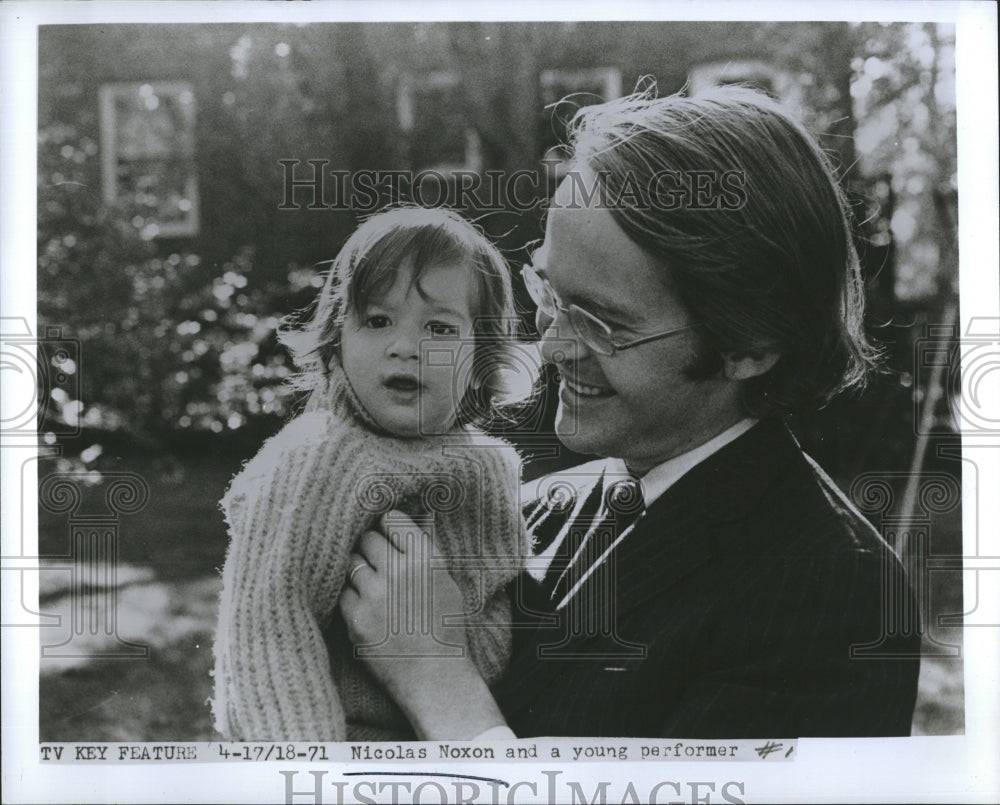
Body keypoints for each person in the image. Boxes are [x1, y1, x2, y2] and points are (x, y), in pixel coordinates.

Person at [340, 84, 922, 739]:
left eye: (599, 320)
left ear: (750, 345)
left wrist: (433, 678)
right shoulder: (539, 508)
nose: (553, 344)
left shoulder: (831, 597)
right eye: (548, 291)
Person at [211, 206, 531, 741]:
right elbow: (266, 628)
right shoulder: (319, 459)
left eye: (439, 328)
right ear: (336, 345)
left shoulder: (490, 465)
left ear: (483, 355)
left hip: (466, 729)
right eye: (377, 321)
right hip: (347, 740)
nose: (404, 345)